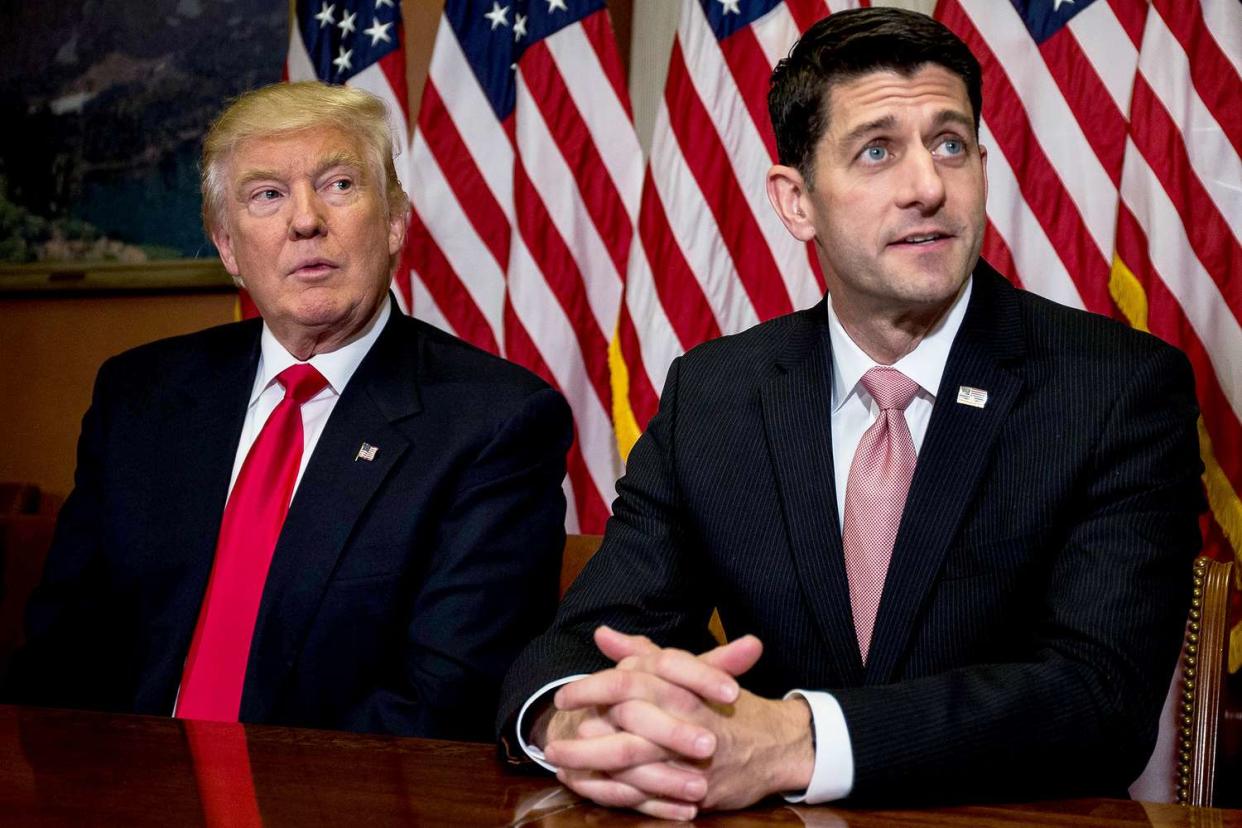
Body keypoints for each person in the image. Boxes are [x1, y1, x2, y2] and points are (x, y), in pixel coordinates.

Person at [497, 7, 1203, 819]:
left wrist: (799, 739)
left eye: (950, 144)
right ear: (795, 202)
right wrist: (580, 717)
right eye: (877, 151)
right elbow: (586, 638)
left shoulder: (1115, 389)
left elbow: (1099, 701)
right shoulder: (718, 394)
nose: (927, 187)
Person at [3, 81, 573, 741]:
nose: (305, 220)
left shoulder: (494, 422)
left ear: (392, 222)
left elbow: (445, 703)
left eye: (338, 185)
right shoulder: (140, 395)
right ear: (227, 246)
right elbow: (60, 658)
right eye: (267, 195)